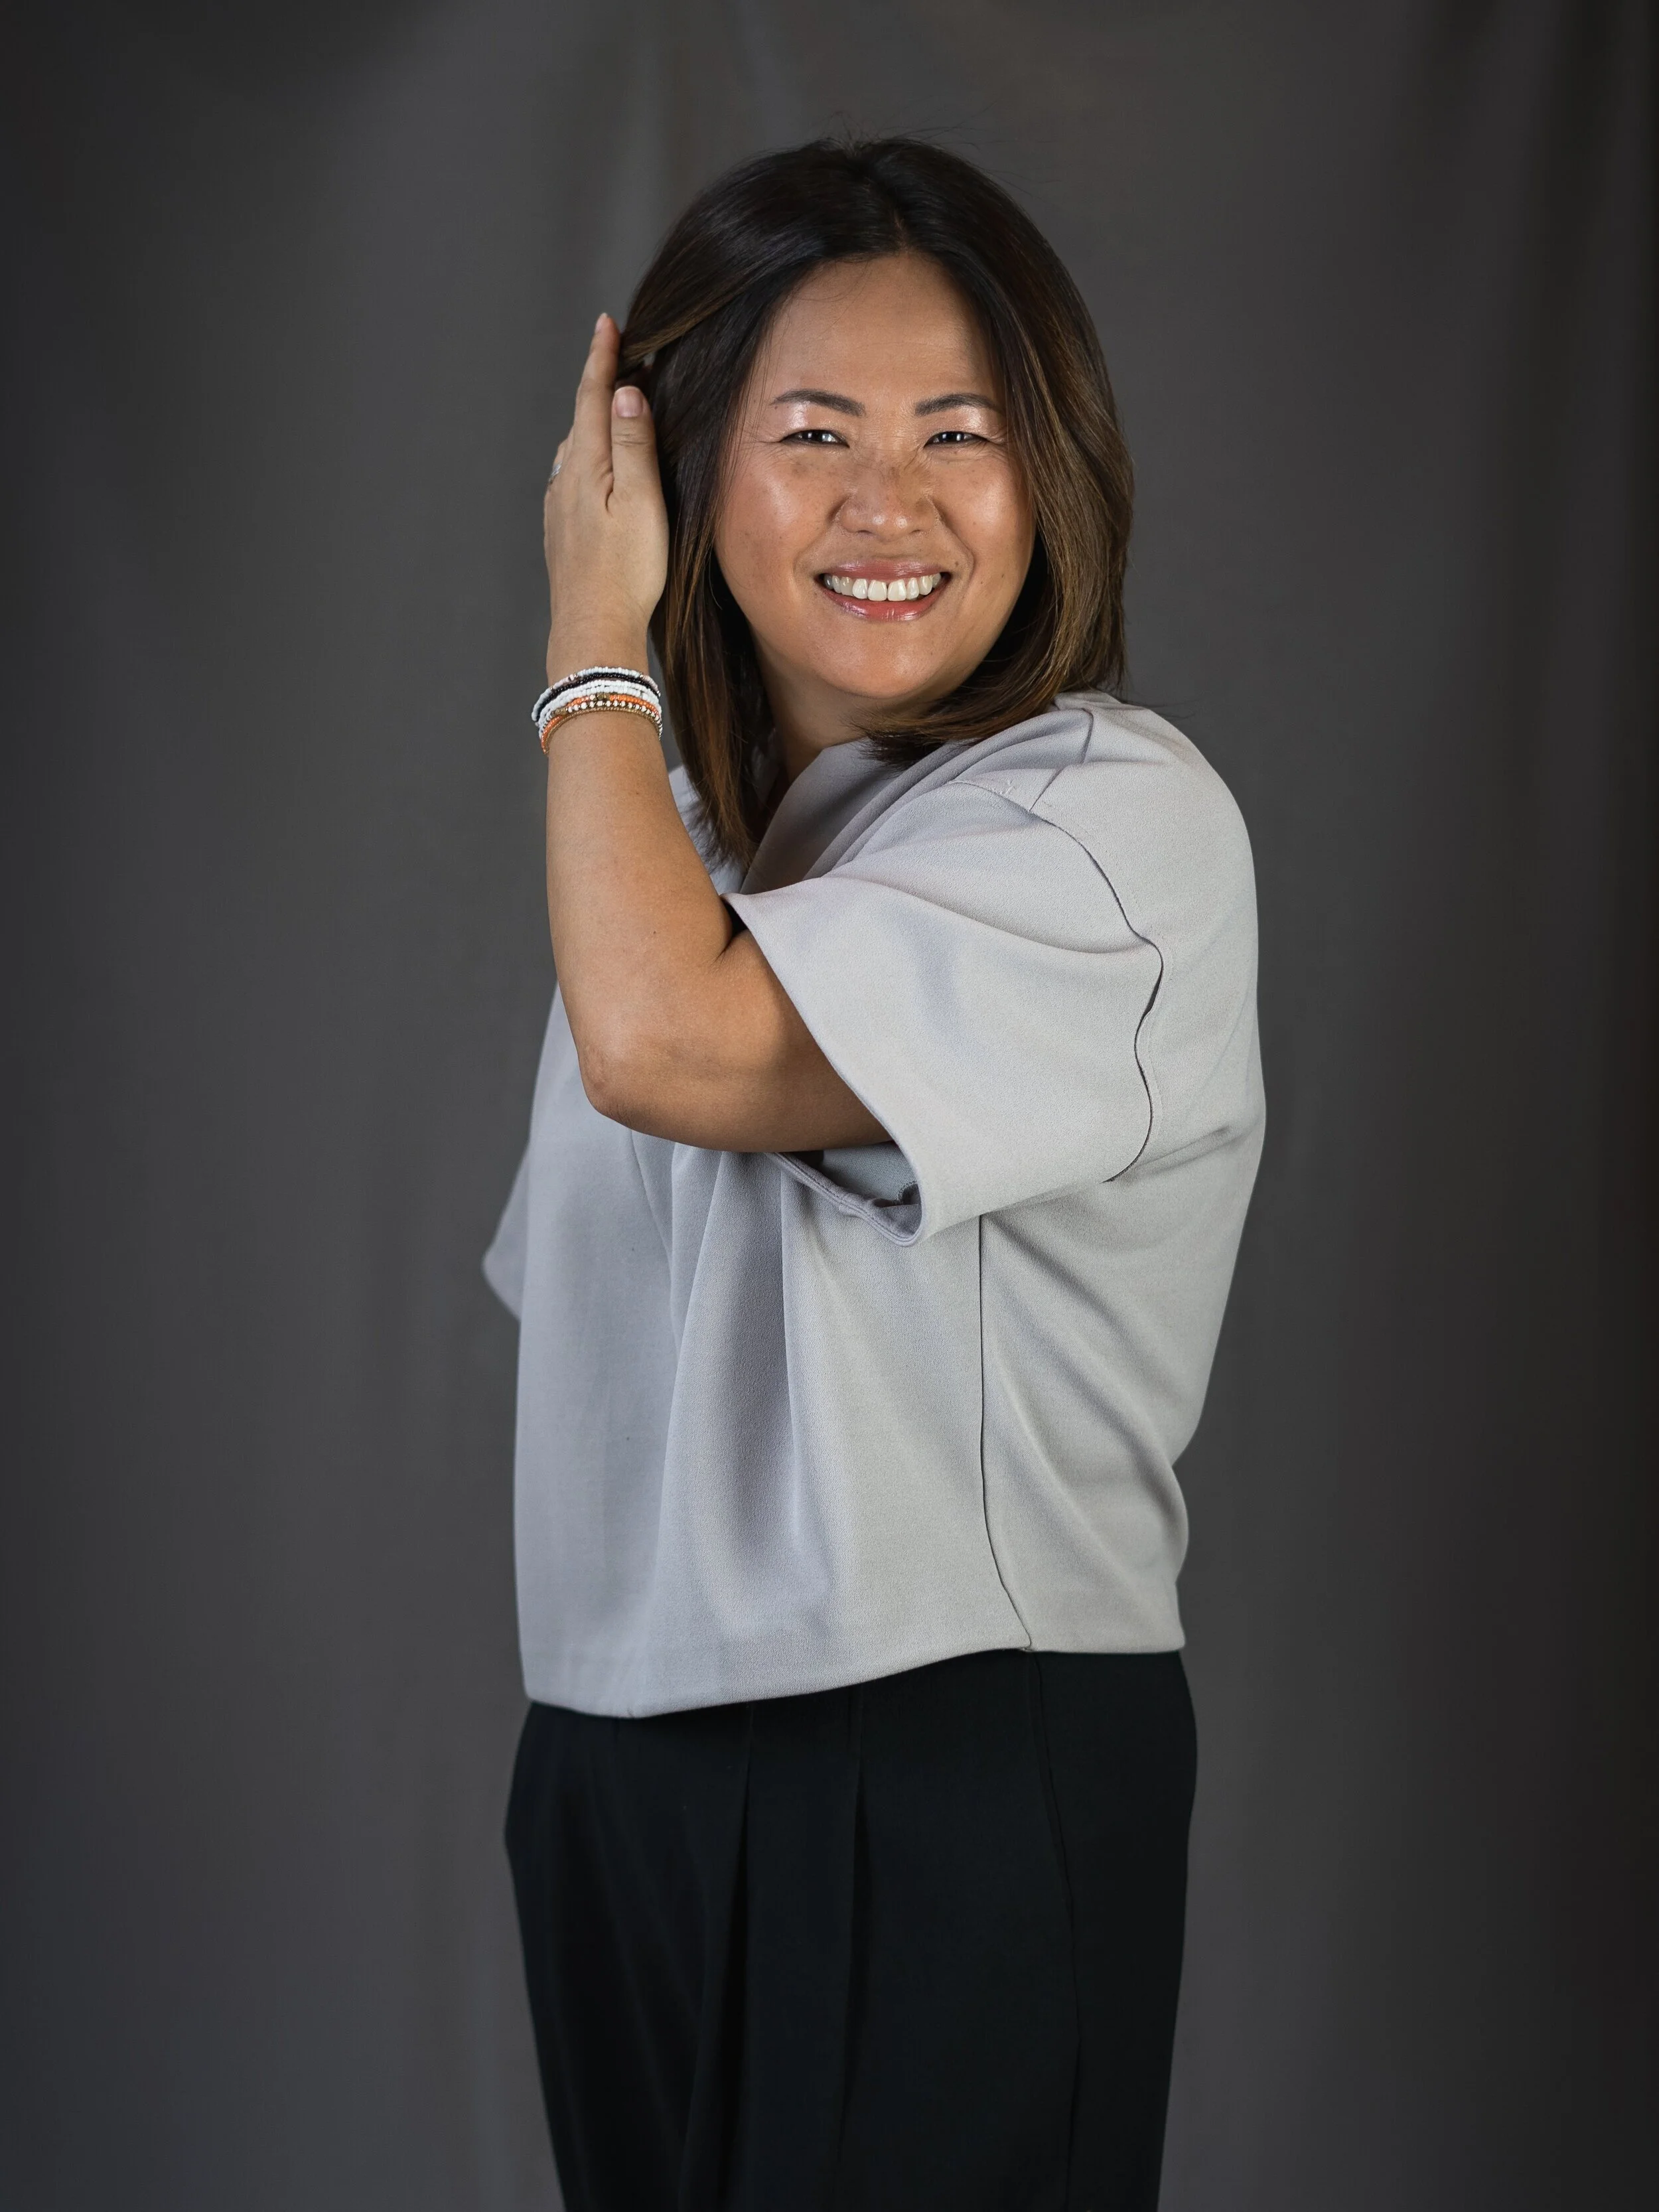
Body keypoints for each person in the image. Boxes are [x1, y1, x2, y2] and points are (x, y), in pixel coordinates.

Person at [484, 136, 1263, 2212]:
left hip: (939, 1745)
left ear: (1050, 470)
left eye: (958, 433)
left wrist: (587, 635)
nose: (887, 501)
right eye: (811, 432)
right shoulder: (672, 861)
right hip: (616, 1755)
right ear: (676, 472)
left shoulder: (1106, 816)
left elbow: (668, 1049)